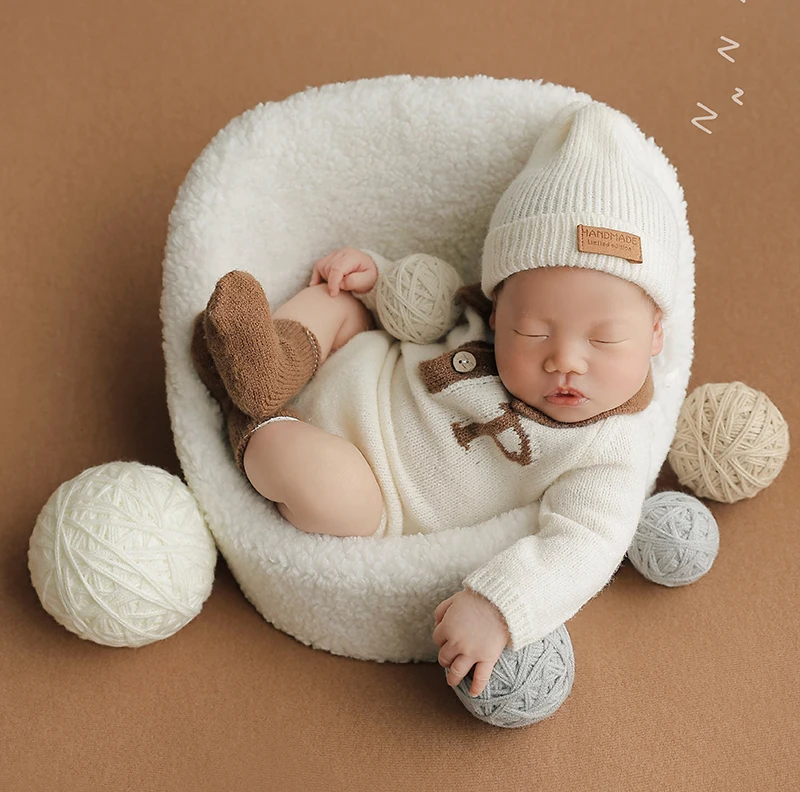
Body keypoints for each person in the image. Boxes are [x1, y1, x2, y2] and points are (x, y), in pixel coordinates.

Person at [190, 99, 680, 697]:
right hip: (356, 359)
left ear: (656, 335)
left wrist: (501, 607)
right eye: (532, 331)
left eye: (605, 339)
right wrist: (375, 276)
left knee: (326, 489)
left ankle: (249, 408)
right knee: (336, 304)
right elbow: (416, 309)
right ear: (499, 310)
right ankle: (265, 364)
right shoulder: (474, 314)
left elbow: (585, 545)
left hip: (374, 485)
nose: (565, 360)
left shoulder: (607, 448)